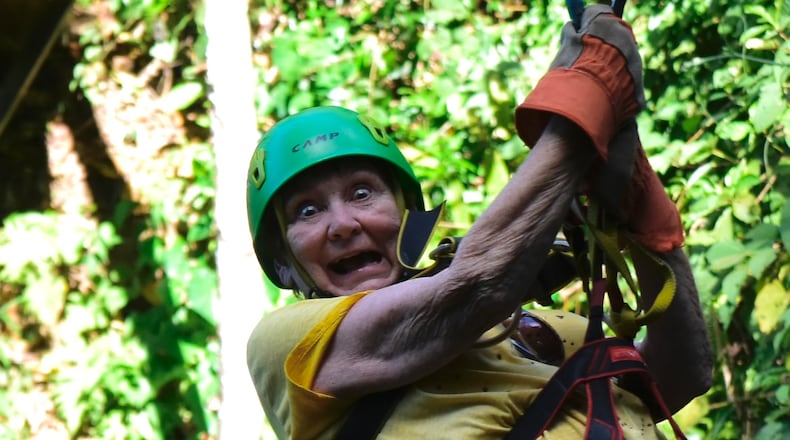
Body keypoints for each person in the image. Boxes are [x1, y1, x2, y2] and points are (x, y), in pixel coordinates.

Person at [245, 5, 712, 439]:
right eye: (307, 211)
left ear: (407, 213)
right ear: (284, 265)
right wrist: (583, 108)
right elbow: (475, 288)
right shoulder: (288, 348)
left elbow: (676, 380)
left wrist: (653, 233)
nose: (342, 224)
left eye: (363, 192)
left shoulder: (530, 328)